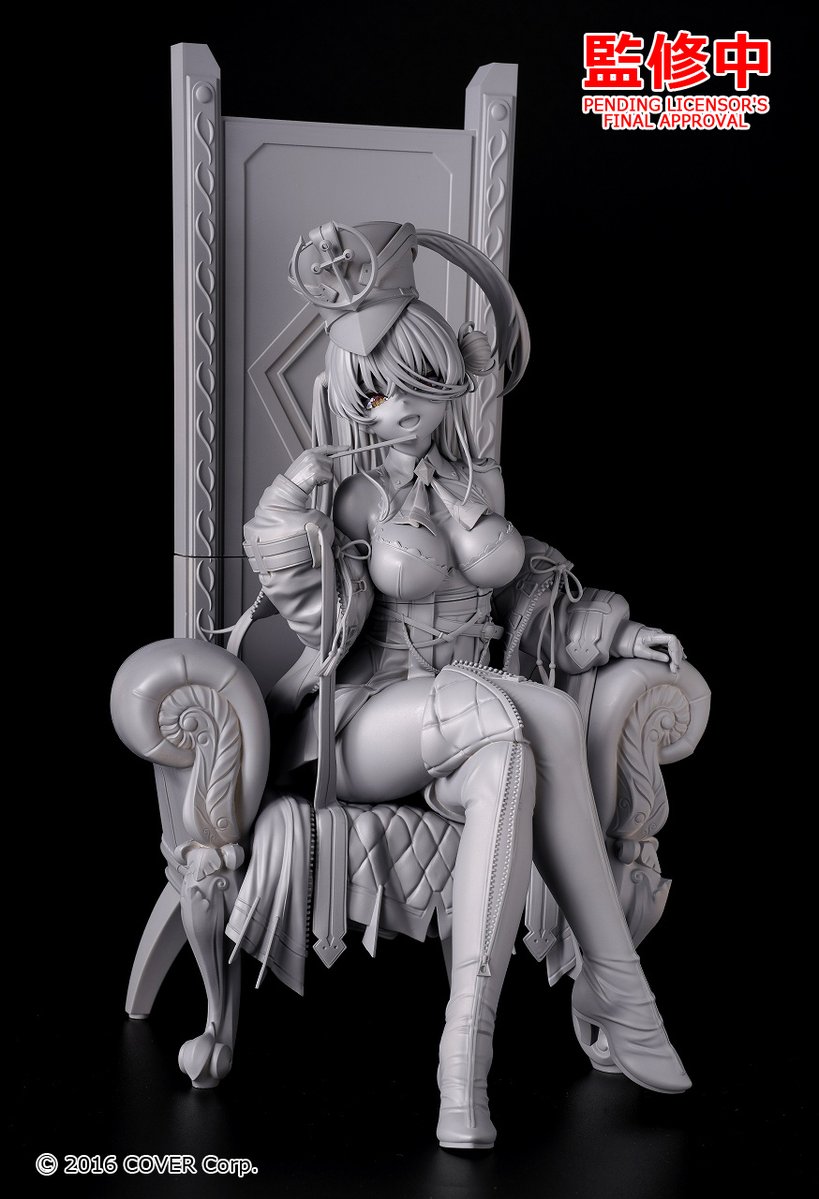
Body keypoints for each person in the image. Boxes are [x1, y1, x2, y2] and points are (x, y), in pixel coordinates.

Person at [236, 220, 690, 1150]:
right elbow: (302, 599)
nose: (392, 411)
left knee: (511, 750)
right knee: (524, 710)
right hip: (369, 722)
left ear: (446, 376)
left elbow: (523, 596)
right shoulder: (348, 494)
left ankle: (462, 1068)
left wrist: (617, 632)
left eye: (410, 386)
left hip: (473, 718)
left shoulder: (479, 480)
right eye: (370, 395)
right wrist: (290, 499)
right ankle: (621, 989)